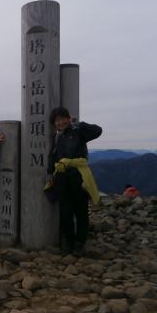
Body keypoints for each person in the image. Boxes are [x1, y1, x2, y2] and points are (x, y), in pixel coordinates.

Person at [47, 107, 102, 256]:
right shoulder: (56, 136)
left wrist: (81, 124)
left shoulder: (78, 131)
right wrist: (50, 173)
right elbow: (52, 155)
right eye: (57, 120)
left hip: (78, 175)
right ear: (54, 123)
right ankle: (68, 242)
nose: (60, 122)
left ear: (69, 118)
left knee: (80, 210)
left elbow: (98, 131)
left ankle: (79, 243)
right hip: (62, 177)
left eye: (63, 118)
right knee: (65, 211)